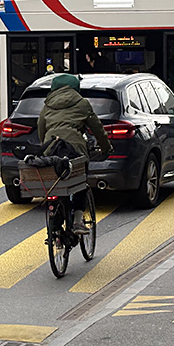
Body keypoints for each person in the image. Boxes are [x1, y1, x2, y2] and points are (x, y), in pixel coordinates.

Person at [36, 73, 113, 233]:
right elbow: (97, 128)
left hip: (51, 147)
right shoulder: (82, 103)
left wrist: (46, 144)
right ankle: (78, 220)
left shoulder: (47, 105)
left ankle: (55, 217)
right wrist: (106, 148)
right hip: (75, 148)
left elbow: (41, 127)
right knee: (80, 182)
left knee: (55, 181)